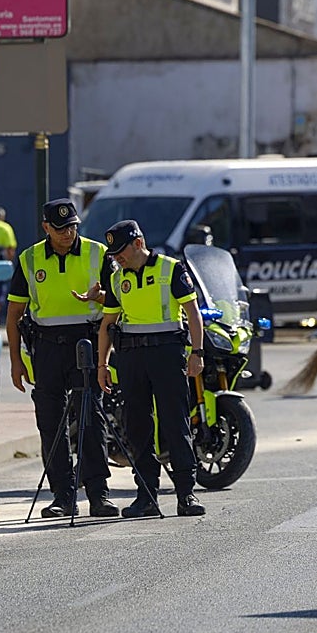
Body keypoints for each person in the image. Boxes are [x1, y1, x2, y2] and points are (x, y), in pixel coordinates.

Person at [6, 198, 117, 518]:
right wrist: (15, 361)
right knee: (50, 422)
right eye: (60, 228)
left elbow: (119, 298)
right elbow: (14, 313)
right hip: (47, 348)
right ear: (46, 228)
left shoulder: (99, 253)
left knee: (90, 418)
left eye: (72, 227)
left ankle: (98, 494)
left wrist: (100, 296)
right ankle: (63, 495)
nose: (68, 233)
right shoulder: (30, 258)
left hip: (87, 342)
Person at [96, 220, 207, 518]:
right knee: (137, 427)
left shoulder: (171, 269)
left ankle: (187, 494)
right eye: (113, 252)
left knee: (176, 421)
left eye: (120, 250)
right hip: (131, 356)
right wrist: (102, 364)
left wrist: (197, 353)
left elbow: (192, 314)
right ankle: (146, 496)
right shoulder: (118, 278)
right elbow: (108, 323)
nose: (116, 257)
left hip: (167, 353)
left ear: (138, 243)